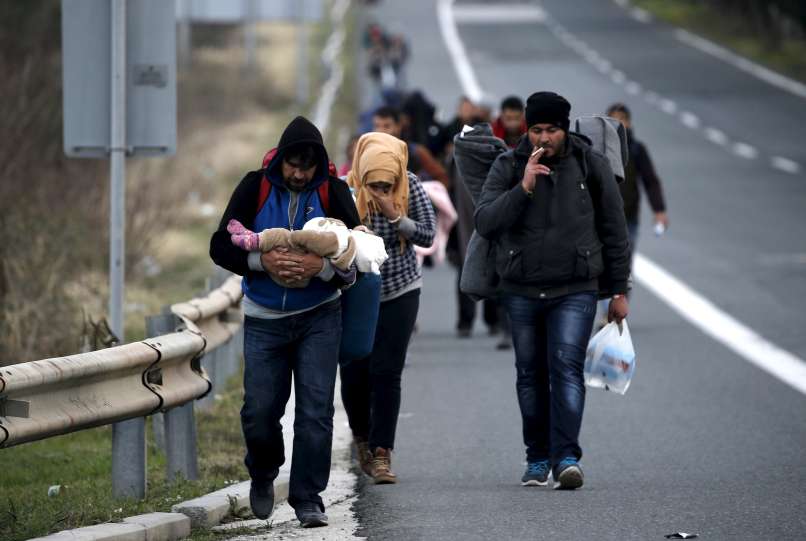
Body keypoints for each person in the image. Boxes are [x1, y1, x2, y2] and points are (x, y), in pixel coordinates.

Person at [209, 116, 361, 528]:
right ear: (280, 161)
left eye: (306, 167)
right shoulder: (254, 186)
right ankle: (263, 471)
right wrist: (262, 260)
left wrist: (321, 268)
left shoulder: (333, 191)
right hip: (263, 322)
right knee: (259, 413)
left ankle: (308, 498)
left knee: (315, 413)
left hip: (319, 318)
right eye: (292, 165)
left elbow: (358, 254)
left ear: (318, 164)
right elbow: (220, 245)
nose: (298, 174)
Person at [475, 92, 631, 490]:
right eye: (536, 130)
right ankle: (537, 458)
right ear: (526, 130)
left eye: (552, 130)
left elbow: (615, 231)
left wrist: (618, 291)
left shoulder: (590, 165)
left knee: (565, 370)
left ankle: (566, 458)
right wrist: (523, 187)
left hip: (575, 288)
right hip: (521, 289)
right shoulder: (508, 165)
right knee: (530, 375)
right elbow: (486, 221)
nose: (543, 138)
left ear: (565, 129)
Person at [340, 132, 436, 484]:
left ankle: (382, 453)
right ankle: (362, 439)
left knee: (387, 371)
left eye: (386, 184)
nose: (379, 190)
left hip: (401, 289)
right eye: (373, 184)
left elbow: (428, 235)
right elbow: (326, 233)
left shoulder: (410, 185)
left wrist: (397, 217)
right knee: (354, 370)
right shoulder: (343, 188)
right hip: (354, 293)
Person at [373, 105, 450, 187]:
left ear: (398, 126)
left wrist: (425, 192)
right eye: (377, 126)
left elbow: (442, 178)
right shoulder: (369, 154)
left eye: (386, 126)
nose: (381, 131)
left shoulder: (416, 152)